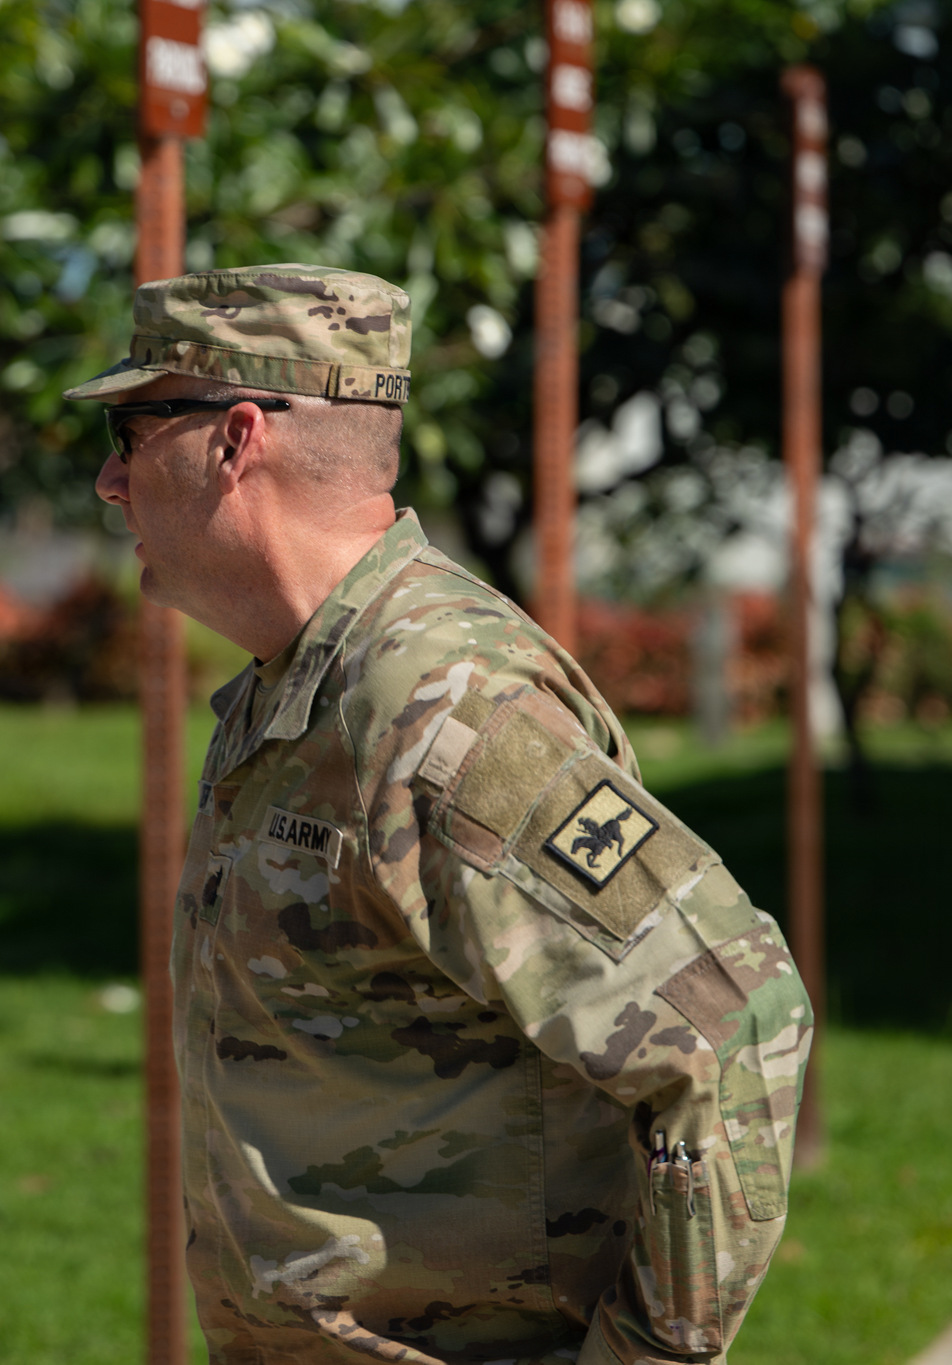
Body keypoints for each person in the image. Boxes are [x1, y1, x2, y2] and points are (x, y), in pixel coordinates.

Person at [65, 265, 810, 1364]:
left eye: (131, 430)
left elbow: (730, 1022)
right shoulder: (304, 677)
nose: (108, 481)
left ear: (234, 440)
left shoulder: (436, 704)